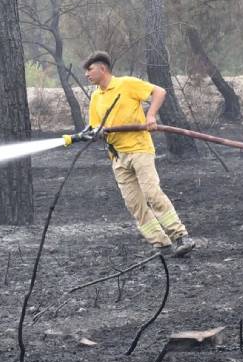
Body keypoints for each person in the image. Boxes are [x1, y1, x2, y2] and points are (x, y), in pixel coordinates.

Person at [80, 51, 195, 257]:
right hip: (117, 156)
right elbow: (95, 124)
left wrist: (150, 116)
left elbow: (159, 92)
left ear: (102, 69)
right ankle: (161, 245)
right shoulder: (96, 95)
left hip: (139, 149)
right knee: (134, 203)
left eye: (89, 70)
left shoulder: (126, 84)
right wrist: (93, 133)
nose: (86, 75)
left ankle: (180, 236)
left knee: (151, 192)